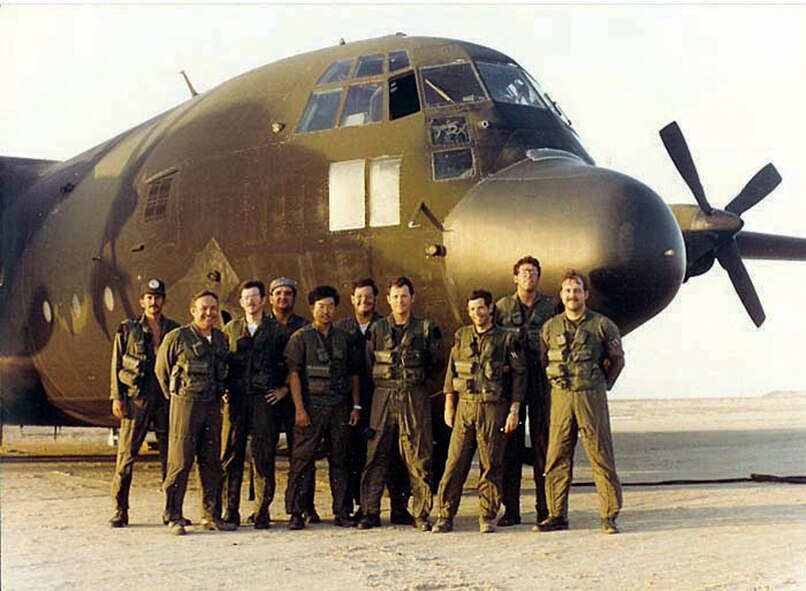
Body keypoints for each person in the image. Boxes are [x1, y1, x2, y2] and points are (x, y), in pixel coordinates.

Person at [536, 270, 625, 535]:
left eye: (577, 290)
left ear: (585, 294)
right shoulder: (549, 328)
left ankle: (609, 516)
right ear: (561, 295)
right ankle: (556, 515)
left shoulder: (601, 325)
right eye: (567, 291)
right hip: (562, 398)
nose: (572, 295)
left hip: (590, 396)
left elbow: (617, 359)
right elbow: (544, 361)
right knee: (556, 457)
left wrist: (601, 383)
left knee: (600, 456)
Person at [433, 290, 526, 534]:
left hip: (493, 407)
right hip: (465, 406)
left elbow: (518, 377)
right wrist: (448, 404)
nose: (477, 313)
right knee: (454, 464)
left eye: (481, 308)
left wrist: (514, 410)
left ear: (490, 309)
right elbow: (452, 372)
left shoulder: (506, 339)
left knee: (491, 465)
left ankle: (486, 516)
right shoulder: (461, 336)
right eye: (472, 309)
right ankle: (445, 515)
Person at [358, 277, 442, 532]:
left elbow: (435, 363)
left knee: (418, 454)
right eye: (395, 297)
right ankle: (370, 511)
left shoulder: (426, 329)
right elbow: (368, 362)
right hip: (383, 395)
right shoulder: (377, 329)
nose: (400, 301)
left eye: (404, 296)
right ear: (388, 300)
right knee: (376, 454)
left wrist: (412, 382)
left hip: (413, 395)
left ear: (412, 298)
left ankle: (420, 513)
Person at [155, 290, 236, 535]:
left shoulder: (221, 340)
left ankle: (211, 515)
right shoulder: (177, 337)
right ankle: (173, 516)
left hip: (212, 406)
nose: (209, 313)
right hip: (186, 405)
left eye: (213, 308)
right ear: (193, 310)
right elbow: (162, 371)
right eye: (203, 308)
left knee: (212, 463)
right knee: (180, 462)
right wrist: (177, 398)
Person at [334, 279, 413, 524]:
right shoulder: (341, 329)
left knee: (393, 455)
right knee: (355, 456)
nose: (364, 300)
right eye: (359, 296)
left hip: (383, 397)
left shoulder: (383, 326)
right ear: (352, 298)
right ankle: (360, 507)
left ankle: (399, 507)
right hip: (352, 402)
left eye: (369, 296)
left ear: (377, 299)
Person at [283, 285, 361, 530]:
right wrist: (299, 408)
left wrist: (355, 405)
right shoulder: (301, 338)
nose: (325, 311)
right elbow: (293, 374)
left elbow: (353, 374)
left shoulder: (343, 338)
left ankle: (342, 511)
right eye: (320, 307)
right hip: (311, 407)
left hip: (338, 406)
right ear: (312, 309)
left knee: (340, 460)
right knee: (302, 460)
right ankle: (296, 511)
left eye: (330, 306)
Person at [109, 278, 180, 528]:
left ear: (163, 301)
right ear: (142, 301)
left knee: (170, 457)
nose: (154, 302)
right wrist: (117, 396)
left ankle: (171, 510)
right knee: (126, 456)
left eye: (158, 297)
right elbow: (116, 363)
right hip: (136, 397)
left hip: (164, 398)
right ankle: (120, 509)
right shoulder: (127, 329)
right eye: (149, 298)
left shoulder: (174, 329)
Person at [494, 255, 559, 526]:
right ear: (515, 277)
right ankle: (511, 509)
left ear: (538, 276)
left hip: (542, 382)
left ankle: (545, 508)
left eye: (532, 272)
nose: (528, 277)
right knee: (511, 447)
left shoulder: (550, 307)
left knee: (544, 445)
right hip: (513, 385)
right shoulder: (502, 307)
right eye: (523, 272)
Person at [220, 280, 290, 529]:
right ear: (241, 302)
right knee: (231, 455)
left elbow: (292, 365)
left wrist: (283, 390)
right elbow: (221, 362)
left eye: (254, 297)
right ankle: (231, 510)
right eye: (246, 297)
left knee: (263, 456)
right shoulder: (230, 330)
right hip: (237, 400)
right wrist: (222, 390)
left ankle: (262, 511)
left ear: (263, 301)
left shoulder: (277, 331)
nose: (250, 301)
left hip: (264, 400)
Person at [267, 276, 319, 523]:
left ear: (294, 298)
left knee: (301, 456)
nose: (282, 298)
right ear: (271, 298)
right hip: (268, 399)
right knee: (265, 454)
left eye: (287, 294)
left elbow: (302, 365)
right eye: (278, 294)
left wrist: (286, 389)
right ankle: (263, 508)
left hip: (294, 397)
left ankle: (305, 506)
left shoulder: (304, 327)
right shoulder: (264, 325)